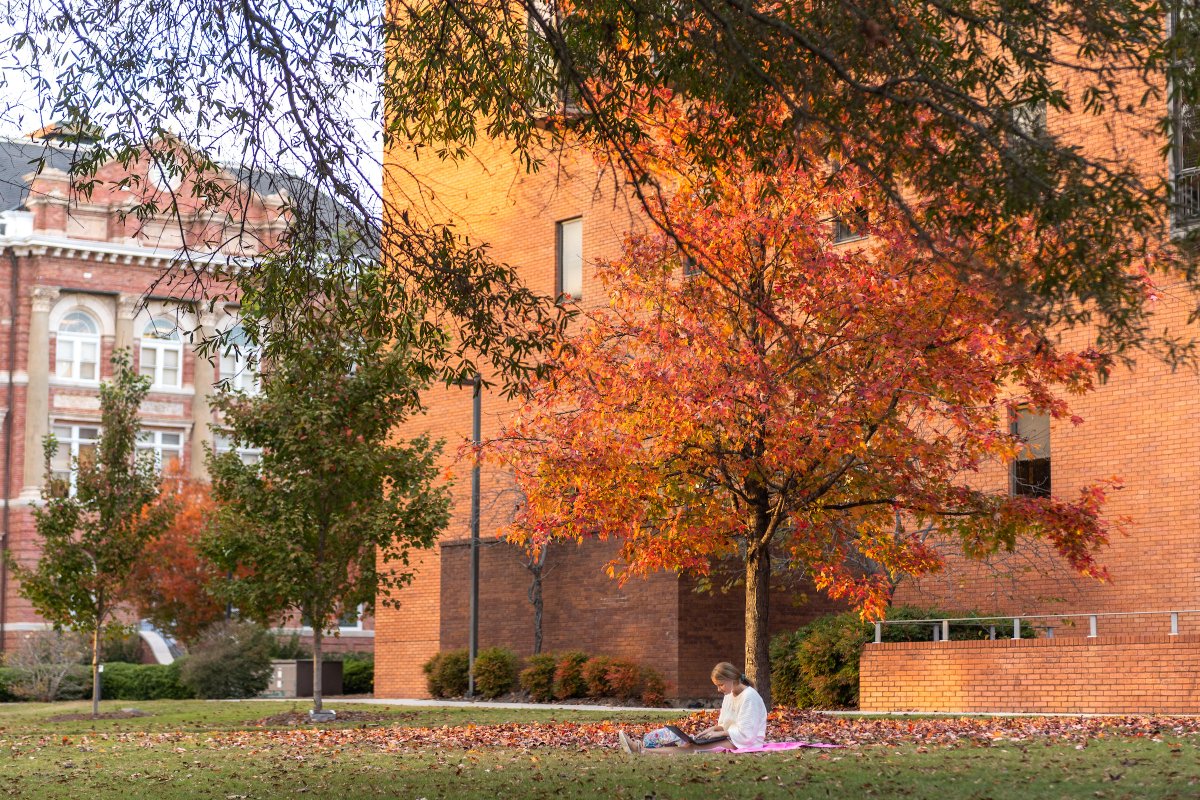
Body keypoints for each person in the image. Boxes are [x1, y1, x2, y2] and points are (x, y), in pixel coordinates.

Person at [618, 662, 767, 755]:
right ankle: (642, 747)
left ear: (731, 679)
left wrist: (719, 734)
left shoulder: (749, 697)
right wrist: (712, 730)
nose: (718, 690)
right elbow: (725, 723)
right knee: (690, 743)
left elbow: (747, 733)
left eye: (720, 685)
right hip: (731, 737)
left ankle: (640, 750)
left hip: (743, 742)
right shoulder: (729, 694)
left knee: (693, 748)